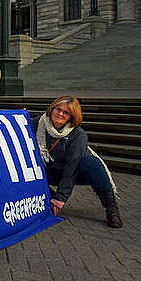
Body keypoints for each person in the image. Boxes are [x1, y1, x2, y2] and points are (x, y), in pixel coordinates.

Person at [34, 95, 123, 228]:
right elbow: (18, 125)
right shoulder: (39, 123)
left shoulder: (78, 134)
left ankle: (112, 210)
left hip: (76, 172)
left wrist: (60, 198)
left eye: (66, 112)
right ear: (52, 109)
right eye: (58, 109)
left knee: (90, 164)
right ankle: (48, 195)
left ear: (71, 116)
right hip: (51, 170)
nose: (60, 114)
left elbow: (72, 167)